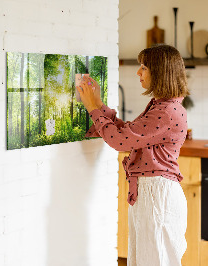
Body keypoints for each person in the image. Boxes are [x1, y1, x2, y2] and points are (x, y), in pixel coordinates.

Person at [77, 44, 189, 266]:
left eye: (144, 67)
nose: (138, 72)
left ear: (160, 72)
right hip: (152, 193)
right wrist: (98, 104)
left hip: (157, 195)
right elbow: (128, 133)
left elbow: (120, 141)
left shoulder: (166, 111)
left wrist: (92, 108)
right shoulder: (162, 106)